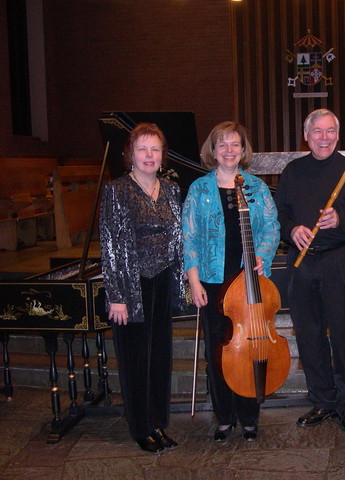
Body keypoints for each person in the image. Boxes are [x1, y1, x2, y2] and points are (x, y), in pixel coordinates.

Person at [275, 109, 345, 433]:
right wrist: (291, 230)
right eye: (317, 131)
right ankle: (322, 400)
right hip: (302, 265)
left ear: (337, 134)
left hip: (339, 263)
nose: (324, 137)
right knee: (309, 336)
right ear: (306, 136)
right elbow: (279, 216)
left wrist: (341, 220)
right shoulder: (292, 172)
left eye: (330, 131)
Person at [182, 121, 280, 442]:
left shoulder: (256, 187)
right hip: (212, 284)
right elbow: (189, 237)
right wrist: (194, 282)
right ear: (213, 149)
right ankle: (224, 418)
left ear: (243, 149)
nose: (228, 150)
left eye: (235, 144)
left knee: (250, 351)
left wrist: (263, 253)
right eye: (222, 144)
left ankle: (249, 417)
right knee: (217, 352)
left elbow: (271, 226)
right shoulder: (199, 189)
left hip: (247, 283)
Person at [99, 122, 186, 454]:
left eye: (155, 149)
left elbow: (178, 240)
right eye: (142, 149)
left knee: (160, 356)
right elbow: (109, 246)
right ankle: (141, 427)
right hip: (132, 287)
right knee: (136, 360)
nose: (149, 155)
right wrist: (117, 296)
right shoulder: (117, 190)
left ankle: (158, 422)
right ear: (130, 155)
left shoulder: (171, 190)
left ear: (163, 156)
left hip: (163, 282)